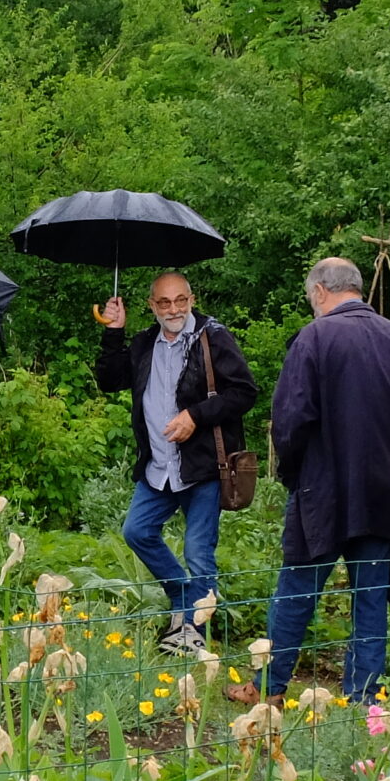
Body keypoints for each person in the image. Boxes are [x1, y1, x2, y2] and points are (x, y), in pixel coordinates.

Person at [257, 256, 390, 706]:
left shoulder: (313, 338)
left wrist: (291, 475)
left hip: (323, 491)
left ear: (319, 292)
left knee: (298, 586)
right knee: (371, 598)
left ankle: (270, 687)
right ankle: (363, 697)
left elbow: (290, 420)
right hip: (382, 493)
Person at [94, 270, 258, 654]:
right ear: (152, 306)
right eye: (164, 302)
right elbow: (109, 380)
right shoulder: (145, 342)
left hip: (202, 467)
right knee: (137, 531)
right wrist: (113, 331)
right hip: (158, 465)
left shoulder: (213, 338)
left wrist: (195, 416)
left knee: (199, 550)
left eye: (181, 300)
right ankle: (185, 598)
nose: (174, 309)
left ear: (192, 299)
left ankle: (193, 630)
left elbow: (245, 392)